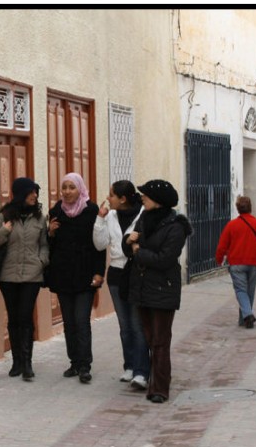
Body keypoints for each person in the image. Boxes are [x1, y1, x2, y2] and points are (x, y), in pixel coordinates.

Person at [122, 179, 192, 404]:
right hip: (142, 288)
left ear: (158, 200)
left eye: (146, 195)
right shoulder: (144, 218)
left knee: (161, 341)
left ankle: (160, 389)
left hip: (163, 290)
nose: (142, 197)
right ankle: (158, 380)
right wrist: (128, 242)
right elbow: (130, 244)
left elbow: (165, 259)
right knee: (151, 339)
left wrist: (137, 250)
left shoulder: (176, 226)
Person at [0, 177, 49, 381]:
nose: (35, 196)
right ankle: (16, 362)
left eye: (36, 192)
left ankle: (28, 363)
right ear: (21, 194)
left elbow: (44, 244)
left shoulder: (40, 217)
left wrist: (41, 261)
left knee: (25, 316)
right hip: (8, 275)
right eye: (31, 192)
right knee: (14, 318)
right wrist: (4, 230)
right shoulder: (4, 216)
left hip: (32, 274)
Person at [46, 172, 107, 384]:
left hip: (85, 274)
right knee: (69, 322)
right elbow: (50, 248)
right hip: (63, 275)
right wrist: (50, 234)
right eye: (64, 187)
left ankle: (85, 365)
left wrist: (99, 273)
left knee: (82, 320)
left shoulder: (91, 210)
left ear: (80, 189)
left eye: (72, 187)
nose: (68, 192)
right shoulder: (56, 211)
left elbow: (99, 245)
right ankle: (73, 362)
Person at [92, 180, 150, 390]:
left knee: (137, 325)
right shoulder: (111, 217)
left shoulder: (143, 214)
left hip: (136, 272)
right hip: (116, 273)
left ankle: (142, 371)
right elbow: (99, 244)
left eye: (112, 195)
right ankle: (130, 366)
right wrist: (100, 218)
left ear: (123, 198)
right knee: (125, 325)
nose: (108, 198)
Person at [214, 196, 256, 329]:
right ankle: (245, 318)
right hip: (254, 262)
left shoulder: (231, 225)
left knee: (241, 290)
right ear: (250, 208)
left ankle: (246, 315)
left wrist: (219, 259)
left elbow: (222, 246)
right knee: (249, 291)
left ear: (238, 209)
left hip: (236, 262)